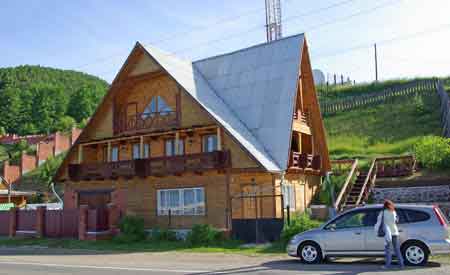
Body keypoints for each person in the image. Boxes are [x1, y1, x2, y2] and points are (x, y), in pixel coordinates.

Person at [374, 200, 404, 269]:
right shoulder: (393, 212)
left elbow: (378, 221)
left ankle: (387, 265)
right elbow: (396, 221)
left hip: (387, 233)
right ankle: (401, 265)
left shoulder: (382, 213)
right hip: (395, 232)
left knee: (388, 250)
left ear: (384, 206)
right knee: (397, 249)